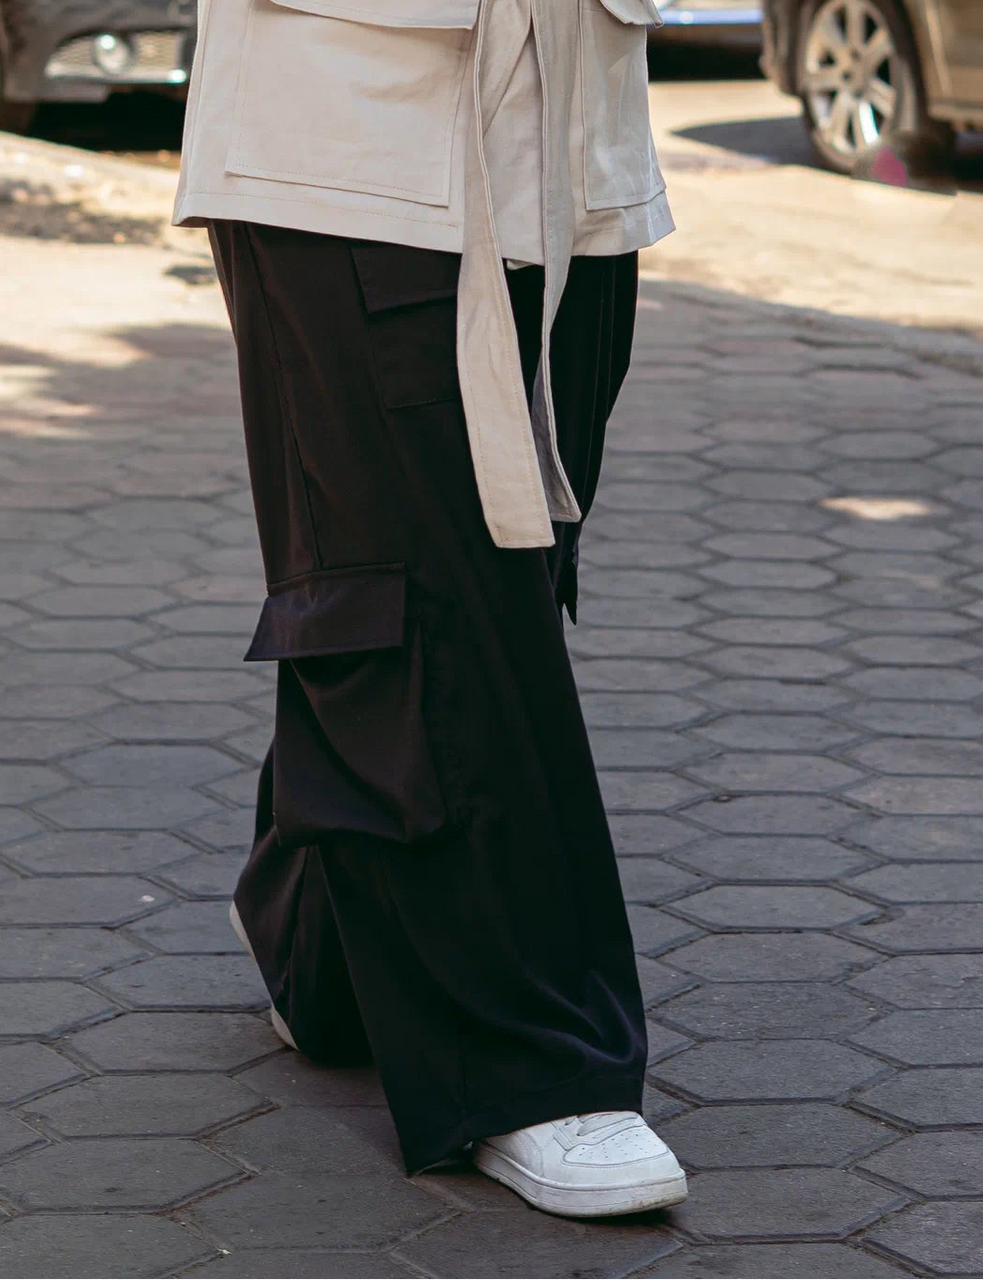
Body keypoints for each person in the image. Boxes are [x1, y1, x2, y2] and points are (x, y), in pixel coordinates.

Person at [172, 0, 688, 1218]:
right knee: (433, 591)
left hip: (576, 128)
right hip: (349, 131)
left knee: (509, 560)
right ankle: (521, 1055)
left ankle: (324, 942)